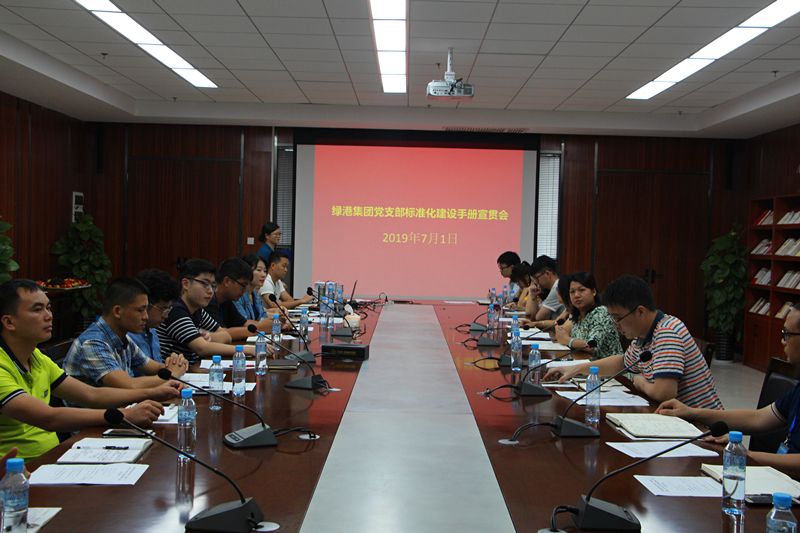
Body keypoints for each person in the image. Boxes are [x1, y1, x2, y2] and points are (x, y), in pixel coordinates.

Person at [0, 279, 177, 461]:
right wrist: (125, 414)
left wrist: (153, 392)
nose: (48, 316)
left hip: (54, 457)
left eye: (49, 308)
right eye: (37, 310)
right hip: (16, 470)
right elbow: (48, 418)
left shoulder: (36, 357)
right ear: (9, 322)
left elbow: (92, 395)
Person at [656, 303, 800, 478]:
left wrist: (747, 455)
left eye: (787, 334)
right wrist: (692, 412)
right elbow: (758, 418)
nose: (783, 341)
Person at [543, 274, 722, 409]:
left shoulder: (667, 332)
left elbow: (664, 393)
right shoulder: (644, 335)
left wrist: (640, 382)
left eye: (617, 318)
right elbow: (622, 362)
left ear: (640, 312)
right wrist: (576, 369)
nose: (615, 325)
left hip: (701, 428)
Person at [63, 277, 188, 396]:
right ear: (118, 311)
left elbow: (157, 368)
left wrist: (175, 364)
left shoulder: (123, 338)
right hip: (96, 412)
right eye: (140, 310)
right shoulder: (92, 343)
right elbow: (129, 385)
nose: (146, 316)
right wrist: (173, 374)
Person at [157, 259, 255, 370]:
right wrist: (246, 349)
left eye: (212, 285)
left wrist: (208, 336)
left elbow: (226, 337)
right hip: (177, 373)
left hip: (192, 370)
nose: (210, 291)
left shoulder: (198, 310)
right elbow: (202, 348)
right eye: (205, 284)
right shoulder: (175, 310)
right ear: (185, 284)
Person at [553, 271, 623, 360]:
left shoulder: (601, 312)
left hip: (609, 367)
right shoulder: (578, 315)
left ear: (594, 292)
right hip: (585, 364)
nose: (576, 295)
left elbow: (592, 346)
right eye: (572, 292)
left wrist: (567, 340)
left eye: (581, 290)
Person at [205, 257, 277, 341]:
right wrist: (259, 328)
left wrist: (270, 324)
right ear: (227, 281)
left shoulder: (226, 300)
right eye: (243, 285)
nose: (245, 290)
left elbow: (244, 323)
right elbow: (222, 334)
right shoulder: (207, 301)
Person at [129, 269, 181, 364]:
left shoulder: (152, 330)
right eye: (163, 309)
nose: (166, 315)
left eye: (168, 309)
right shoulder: (128, 337)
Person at [525, 255, 567, 321]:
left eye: (537, 278)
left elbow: (538, 317)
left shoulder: (557, 288)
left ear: (547, 274)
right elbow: (534, 315)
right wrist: (533, 295)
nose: (536, 282)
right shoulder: (556, 286)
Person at [234, 254, 270, 322]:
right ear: (247, 270)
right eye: (259, 270)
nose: (263, 275)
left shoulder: (253, 292)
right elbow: (243, 321)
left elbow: (263, 314)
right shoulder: (238, 294)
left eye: (265, 271)